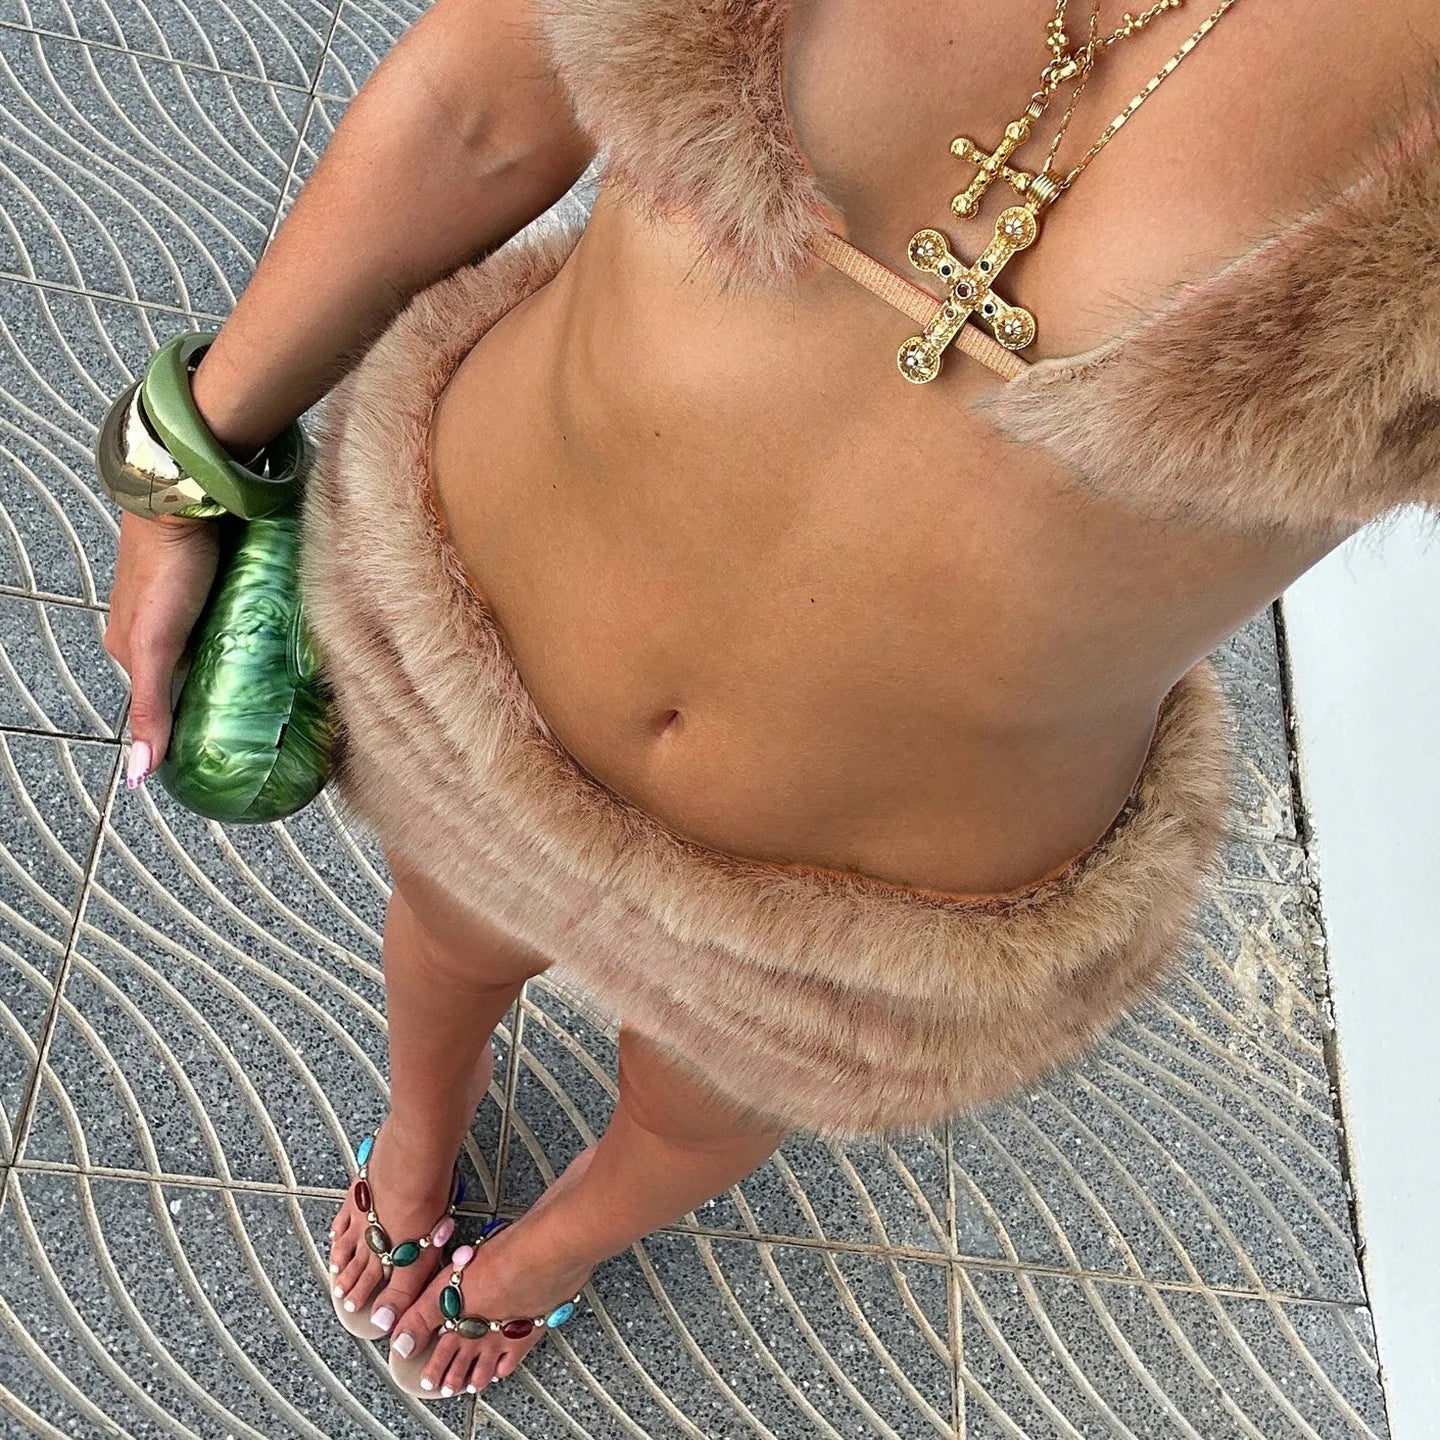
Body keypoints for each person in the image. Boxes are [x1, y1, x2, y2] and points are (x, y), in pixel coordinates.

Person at [103, 0, 1440, 1400]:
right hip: (476, 658)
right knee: (446, 939)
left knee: (696, 1115)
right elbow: (483, 102)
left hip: (883, 907)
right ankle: (414, 1138)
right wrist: (189, 449)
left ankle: (549, 1252)